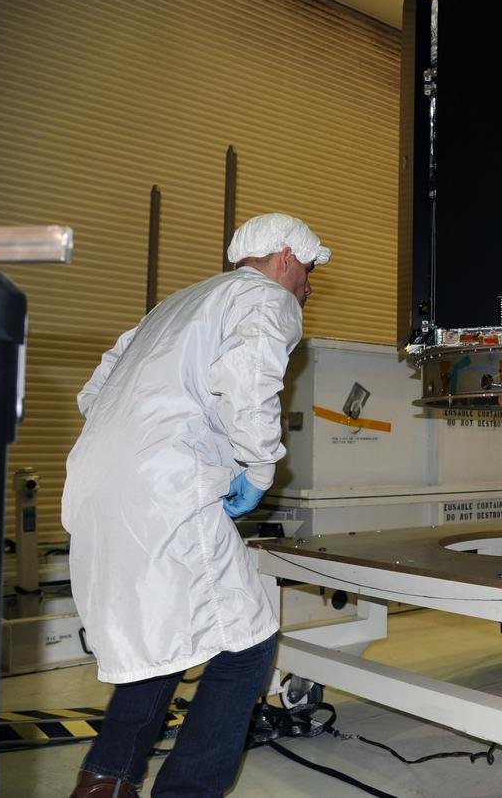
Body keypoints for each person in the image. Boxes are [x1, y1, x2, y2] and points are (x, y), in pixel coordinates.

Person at [63, 213, 331, 798]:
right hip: (165, 487)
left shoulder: (176, 304)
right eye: (307, 271)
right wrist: (258, 467)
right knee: (247, 643)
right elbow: (250, 379)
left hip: (96, 483)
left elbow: (96, 391)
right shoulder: (266, 297)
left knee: (165, 637)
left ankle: (104, 780)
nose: (308, 286)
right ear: (285, 256)